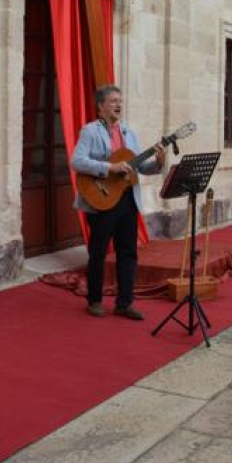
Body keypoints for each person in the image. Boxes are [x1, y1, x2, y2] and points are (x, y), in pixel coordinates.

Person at [72, 85, 166, 320]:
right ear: (101, 105)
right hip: (101, 199)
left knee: (128, 252)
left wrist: (159, 162)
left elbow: (140, 167)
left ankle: (124, 303)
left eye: (120, 101)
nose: (118, 105)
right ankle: (94, 300)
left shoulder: (129, 133)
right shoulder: (90, 131)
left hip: (126, 199)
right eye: (113, 101)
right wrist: (109, 167)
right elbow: (77, 161)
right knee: (98, 252)